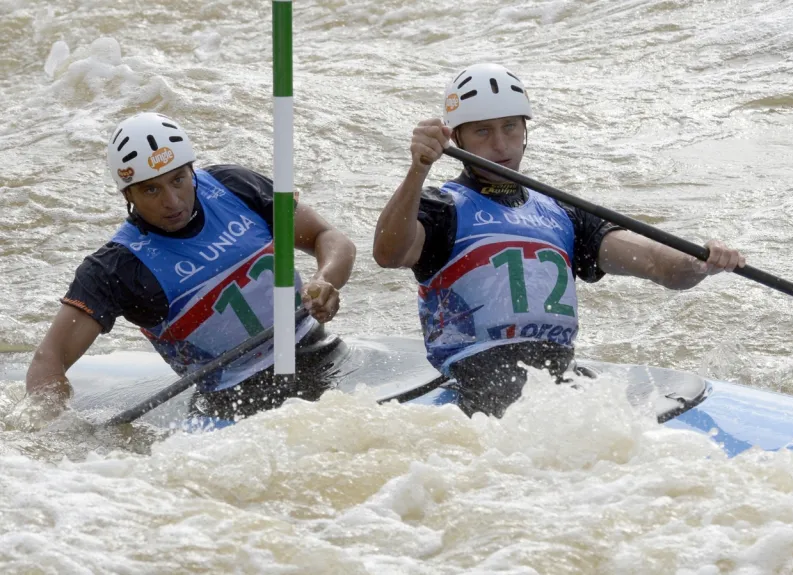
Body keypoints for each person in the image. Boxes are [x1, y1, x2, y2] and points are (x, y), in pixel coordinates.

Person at [373, 63, 746, 418]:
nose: (501, 144)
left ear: (525, 130)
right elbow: (390, 253)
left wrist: (701, 261)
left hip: (556, 371)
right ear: (457, 139)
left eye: (510, 127)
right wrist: (418, 170)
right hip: (480, 372)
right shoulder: (441, 208)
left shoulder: (563, 213)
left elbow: (659, 266)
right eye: (483, 131)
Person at [25, 112, 357, 421]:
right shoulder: (115, 269)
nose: (172, 201)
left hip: (321, 353)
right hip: (234, 401)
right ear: (128, 195)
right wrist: (56, 426)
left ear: (191, 171)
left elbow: (328, 238)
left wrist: (325, 280)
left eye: (178, 180)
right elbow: (48, 361)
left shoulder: (234, 186)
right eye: (151, 189)